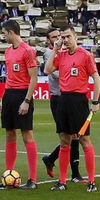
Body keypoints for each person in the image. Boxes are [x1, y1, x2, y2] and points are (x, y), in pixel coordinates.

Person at [44, 28, 100, 193]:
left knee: (84, 140)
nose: (66, 39)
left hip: (79, 101)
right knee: (64, 140)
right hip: (63, 99)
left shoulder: (85, 55)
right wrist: (55, 49)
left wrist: (95, 101)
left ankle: (91, 181)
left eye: (68, 36)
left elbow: (96, 79)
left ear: (75, 36)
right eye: (63, 37)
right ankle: (62, 181)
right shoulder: (60, 55)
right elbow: (47, 70)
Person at [0, 18, 40, 189]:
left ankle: (33, 178)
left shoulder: (27, 51)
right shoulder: (8, 52)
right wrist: (3, 99)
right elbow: (9, 77)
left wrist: (27, 101)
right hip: (9, 94)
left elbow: (34, 78)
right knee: (9, 133)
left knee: (26, 134)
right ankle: (8, 174)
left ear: (11, 32)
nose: (3, 36)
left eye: (4, 33)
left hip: (23, 94)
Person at [41, 29, 81, 183]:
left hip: (71, 98)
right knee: (69, 136)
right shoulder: (50, 53)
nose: (59, 39)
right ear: (48, 40)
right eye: (54, 37)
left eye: (60, 36)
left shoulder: (69, 52)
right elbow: (54, 73)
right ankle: (73, 173)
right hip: (59, 98)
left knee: (76, 135)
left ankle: (54, 160)